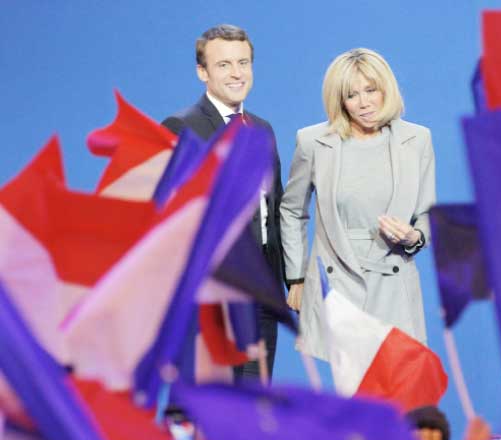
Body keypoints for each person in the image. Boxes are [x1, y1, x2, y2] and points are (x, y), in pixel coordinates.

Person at [280, 48, 436, 359]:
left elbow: (426, 213)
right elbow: (292, 210)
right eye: (352, 95)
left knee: (401, 396)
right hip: (340, 282)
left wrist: (414, 237)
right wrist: (296, 278)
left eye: (370, 90)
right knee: (357, 396)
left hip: (393, 282)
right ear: (339, 101)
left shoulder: (417, 139)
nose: (363, 103)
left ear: (385, 90)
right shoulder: (314, 142)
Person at [162, 24, 284, 379]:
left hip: (262, 293)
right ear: (202, 72)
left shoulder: (262, 128)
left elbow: (271, 210)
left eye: (243, 63)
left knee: (257, 406)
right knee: (214, 411)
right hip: (212, 296)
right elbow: (171, 215)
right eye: (224, 65)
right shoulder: (180, 128)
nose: (237, 73)